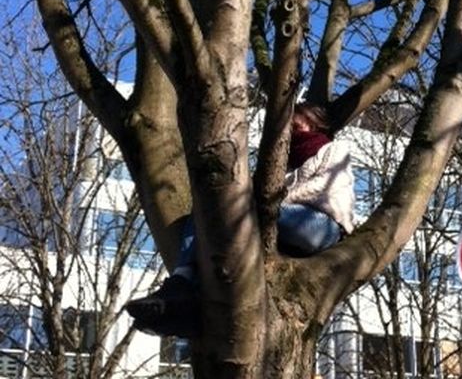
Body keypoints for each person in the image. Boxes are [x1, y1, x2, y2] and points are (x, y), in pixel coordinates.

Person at [125, 102, 355, 337]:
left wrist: (268, 200)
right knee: (209, 212)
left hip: (320, 224)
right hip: (280, 222)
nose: (291, 129)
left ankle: (181, 290)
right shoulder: (280, 162)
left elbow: (321, 187)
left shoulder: (334, 149)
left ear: (314, 122)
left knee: (228, 205)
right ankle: (182, 293)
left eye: (297, 123)